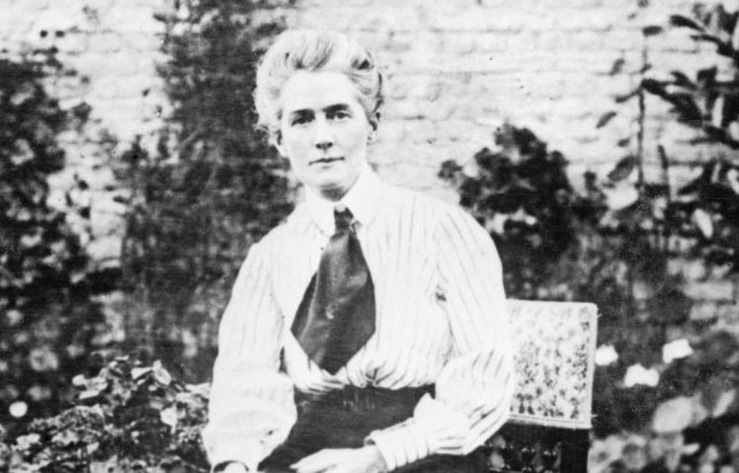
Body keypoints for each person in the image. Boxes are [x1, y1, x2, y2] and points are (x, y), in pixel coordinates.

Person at [202, 29, 514, 473]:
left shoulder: (444, 232)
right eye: (302, 120)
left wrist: (380, 456)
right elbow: (245, 384)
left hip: (423, 450)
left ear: (372, 123)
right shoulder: (271, 257)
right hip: (311, 443)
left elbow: (483, 378)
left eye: (339, 114)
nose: (322, 137)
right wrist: (236, 462)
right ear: (279, 140)